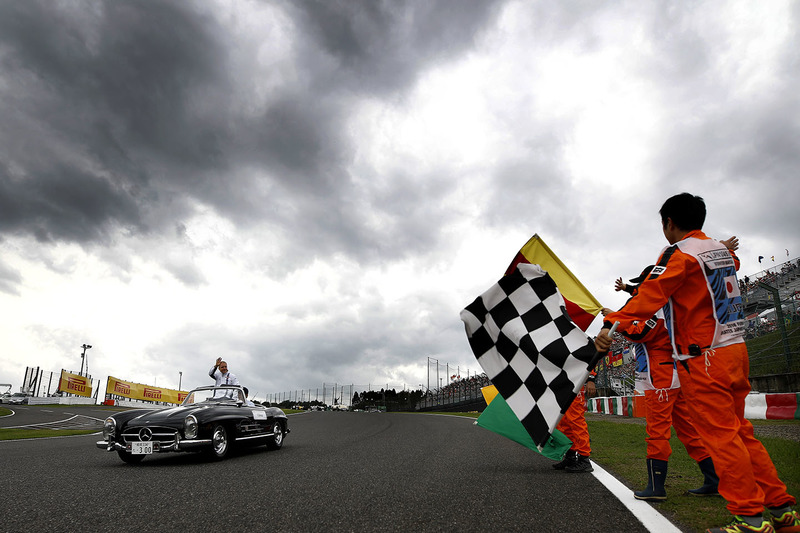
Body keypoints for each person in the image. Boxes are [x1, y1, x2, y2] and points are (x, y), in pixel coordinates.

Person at [597, 193, 798, 533]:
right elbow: (726, 258)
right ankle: (781, 510)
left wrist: (610, 323)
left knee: (721, 438)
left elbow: (650, 293)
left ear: (669, 223)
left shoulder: (679, 254)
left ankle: (749, 518)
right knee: (742, 433)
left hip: (702, 357)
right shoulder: (720, 251)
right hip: (735, 349)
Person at [607, 265, 720, 502]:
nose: (640, 288)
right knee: (689, 430)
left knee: (657, 431)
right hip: (672, 375)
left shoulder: (658, 307)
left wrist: (616, 319)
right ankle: (714, 480)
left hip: (660, 378)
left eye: (643, 283)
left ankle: (656, 487)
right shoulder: (665, 303)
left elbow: (640, 334)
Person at [551, 370, 597, 473]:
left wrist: (590, 379)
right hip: (561, 383)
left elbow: (587, 355)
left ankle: (584, 458)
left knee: (575, 420)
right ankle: (570, 456)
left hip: (574, 382)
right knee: (563, 422)